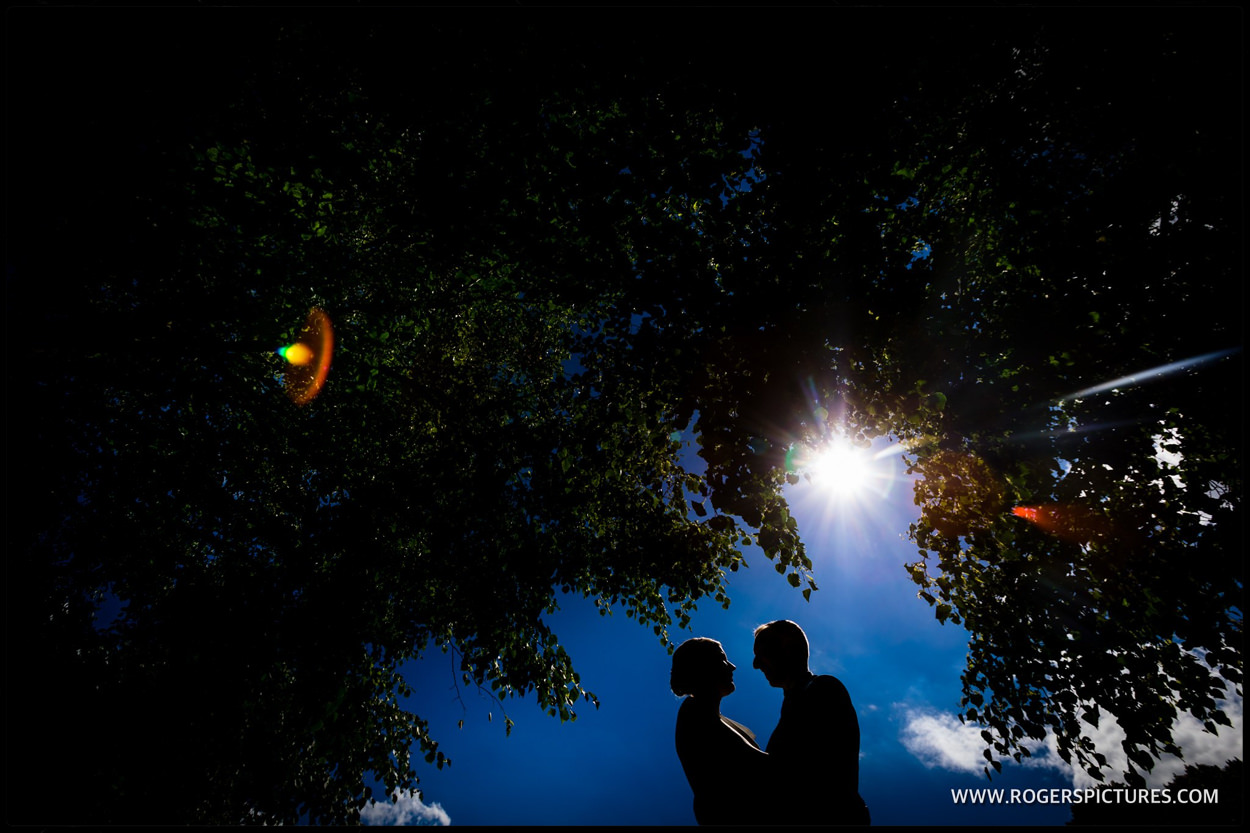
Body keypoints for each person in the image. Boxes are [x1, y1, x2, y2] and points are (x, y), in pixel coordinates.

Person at [753, 620, 870, 825]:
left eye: (762, 653)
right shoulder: (796, 703)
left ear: (787, 649)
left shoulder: (824, 689)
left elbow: (801, 771)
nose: (756, 664)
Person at [671, 637, 772, 825]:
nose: (732, 667)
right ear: (702, 667)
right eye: (722, 659)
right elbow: (763, 769)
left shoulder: (706, 716)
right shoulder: (694, 713)